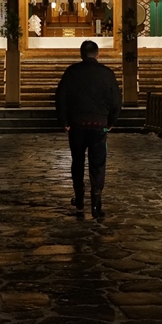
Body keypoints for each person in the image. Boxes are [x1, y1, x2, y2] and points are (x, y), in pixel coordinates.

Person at [55, 40, 121, 218]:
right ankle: (96, 202)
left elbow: (61, 97)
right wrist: (111, 122)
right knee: (98, 163)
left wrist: (64, 121)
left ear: (81, 54)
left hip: (77, 124)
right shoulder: (107, 74)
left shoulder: (72, 72)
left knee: (77, 161)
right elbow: (116, 100)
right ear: (97, 54)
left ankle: (79, 197)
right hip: (99, 124)